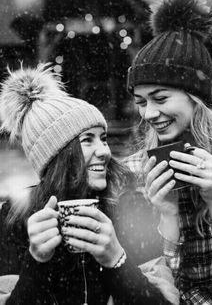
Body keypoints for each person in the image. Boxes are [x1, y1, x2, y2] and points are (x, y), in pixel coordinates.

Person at [0, 65, 177, 304]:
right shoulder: (15, 217)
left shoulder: (130, 206)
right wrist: (36, 261)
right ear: (57, 156)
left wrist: (116, 260)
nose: (104, 151)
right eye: (87, 140)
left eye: (103, 139)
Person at [124, 0, 212, 304]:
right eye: (141, 102)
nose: (149, 114)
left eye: (160, 98)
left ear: (196, 98)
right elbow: (147, 292)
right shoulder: (132, 174)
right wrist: (167, 217)